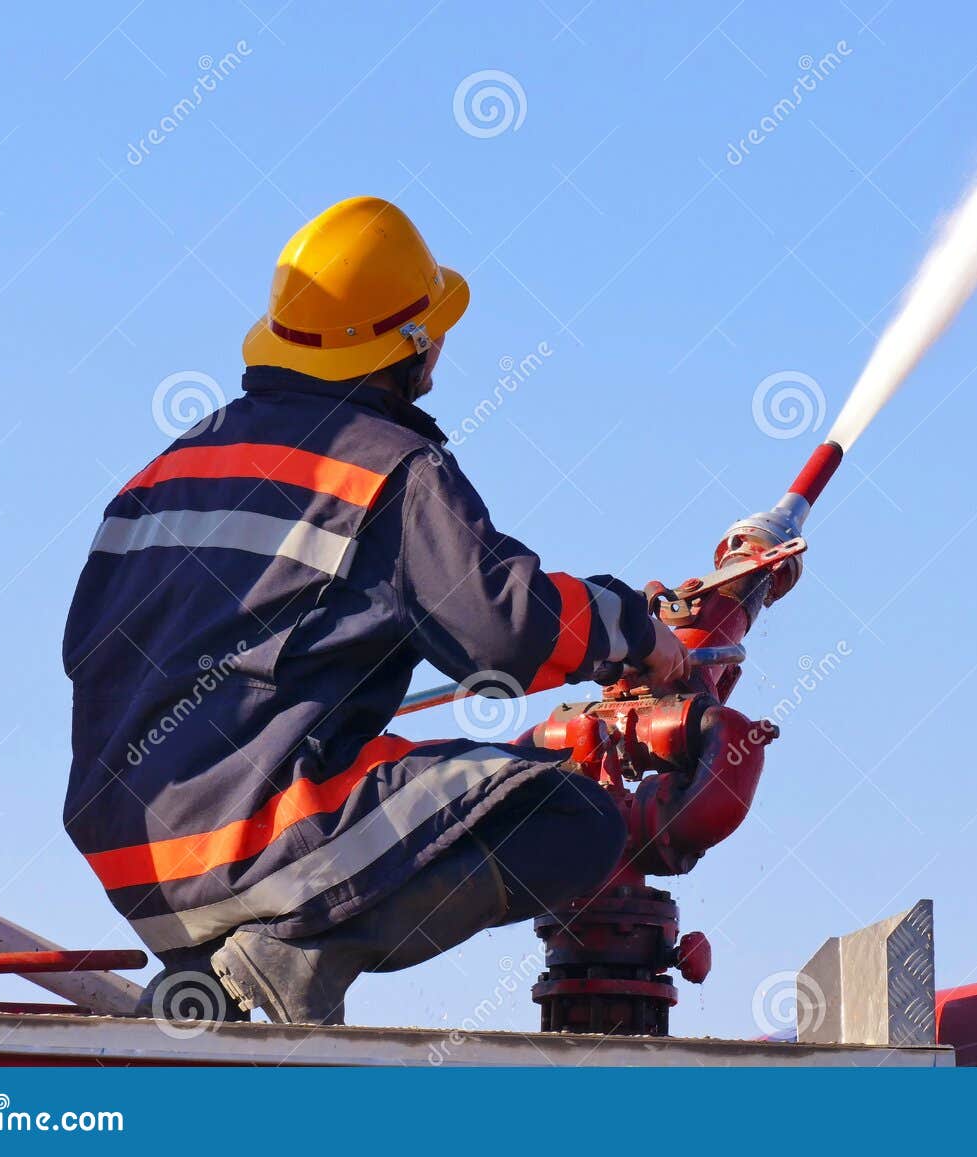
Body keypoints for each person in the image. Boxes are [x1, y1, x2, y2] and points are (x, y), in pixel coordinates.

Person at [62, 196, 687, 1025]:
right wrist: (637, 633)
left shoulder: (160, 476)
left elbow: (90, 655)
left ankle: (221, 980)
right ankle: (290, 957)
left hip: (133, 851)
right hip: (253, 836)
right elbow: (503, 627)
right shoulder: (386, 466)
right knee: (573, 818)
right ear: (411, 347)